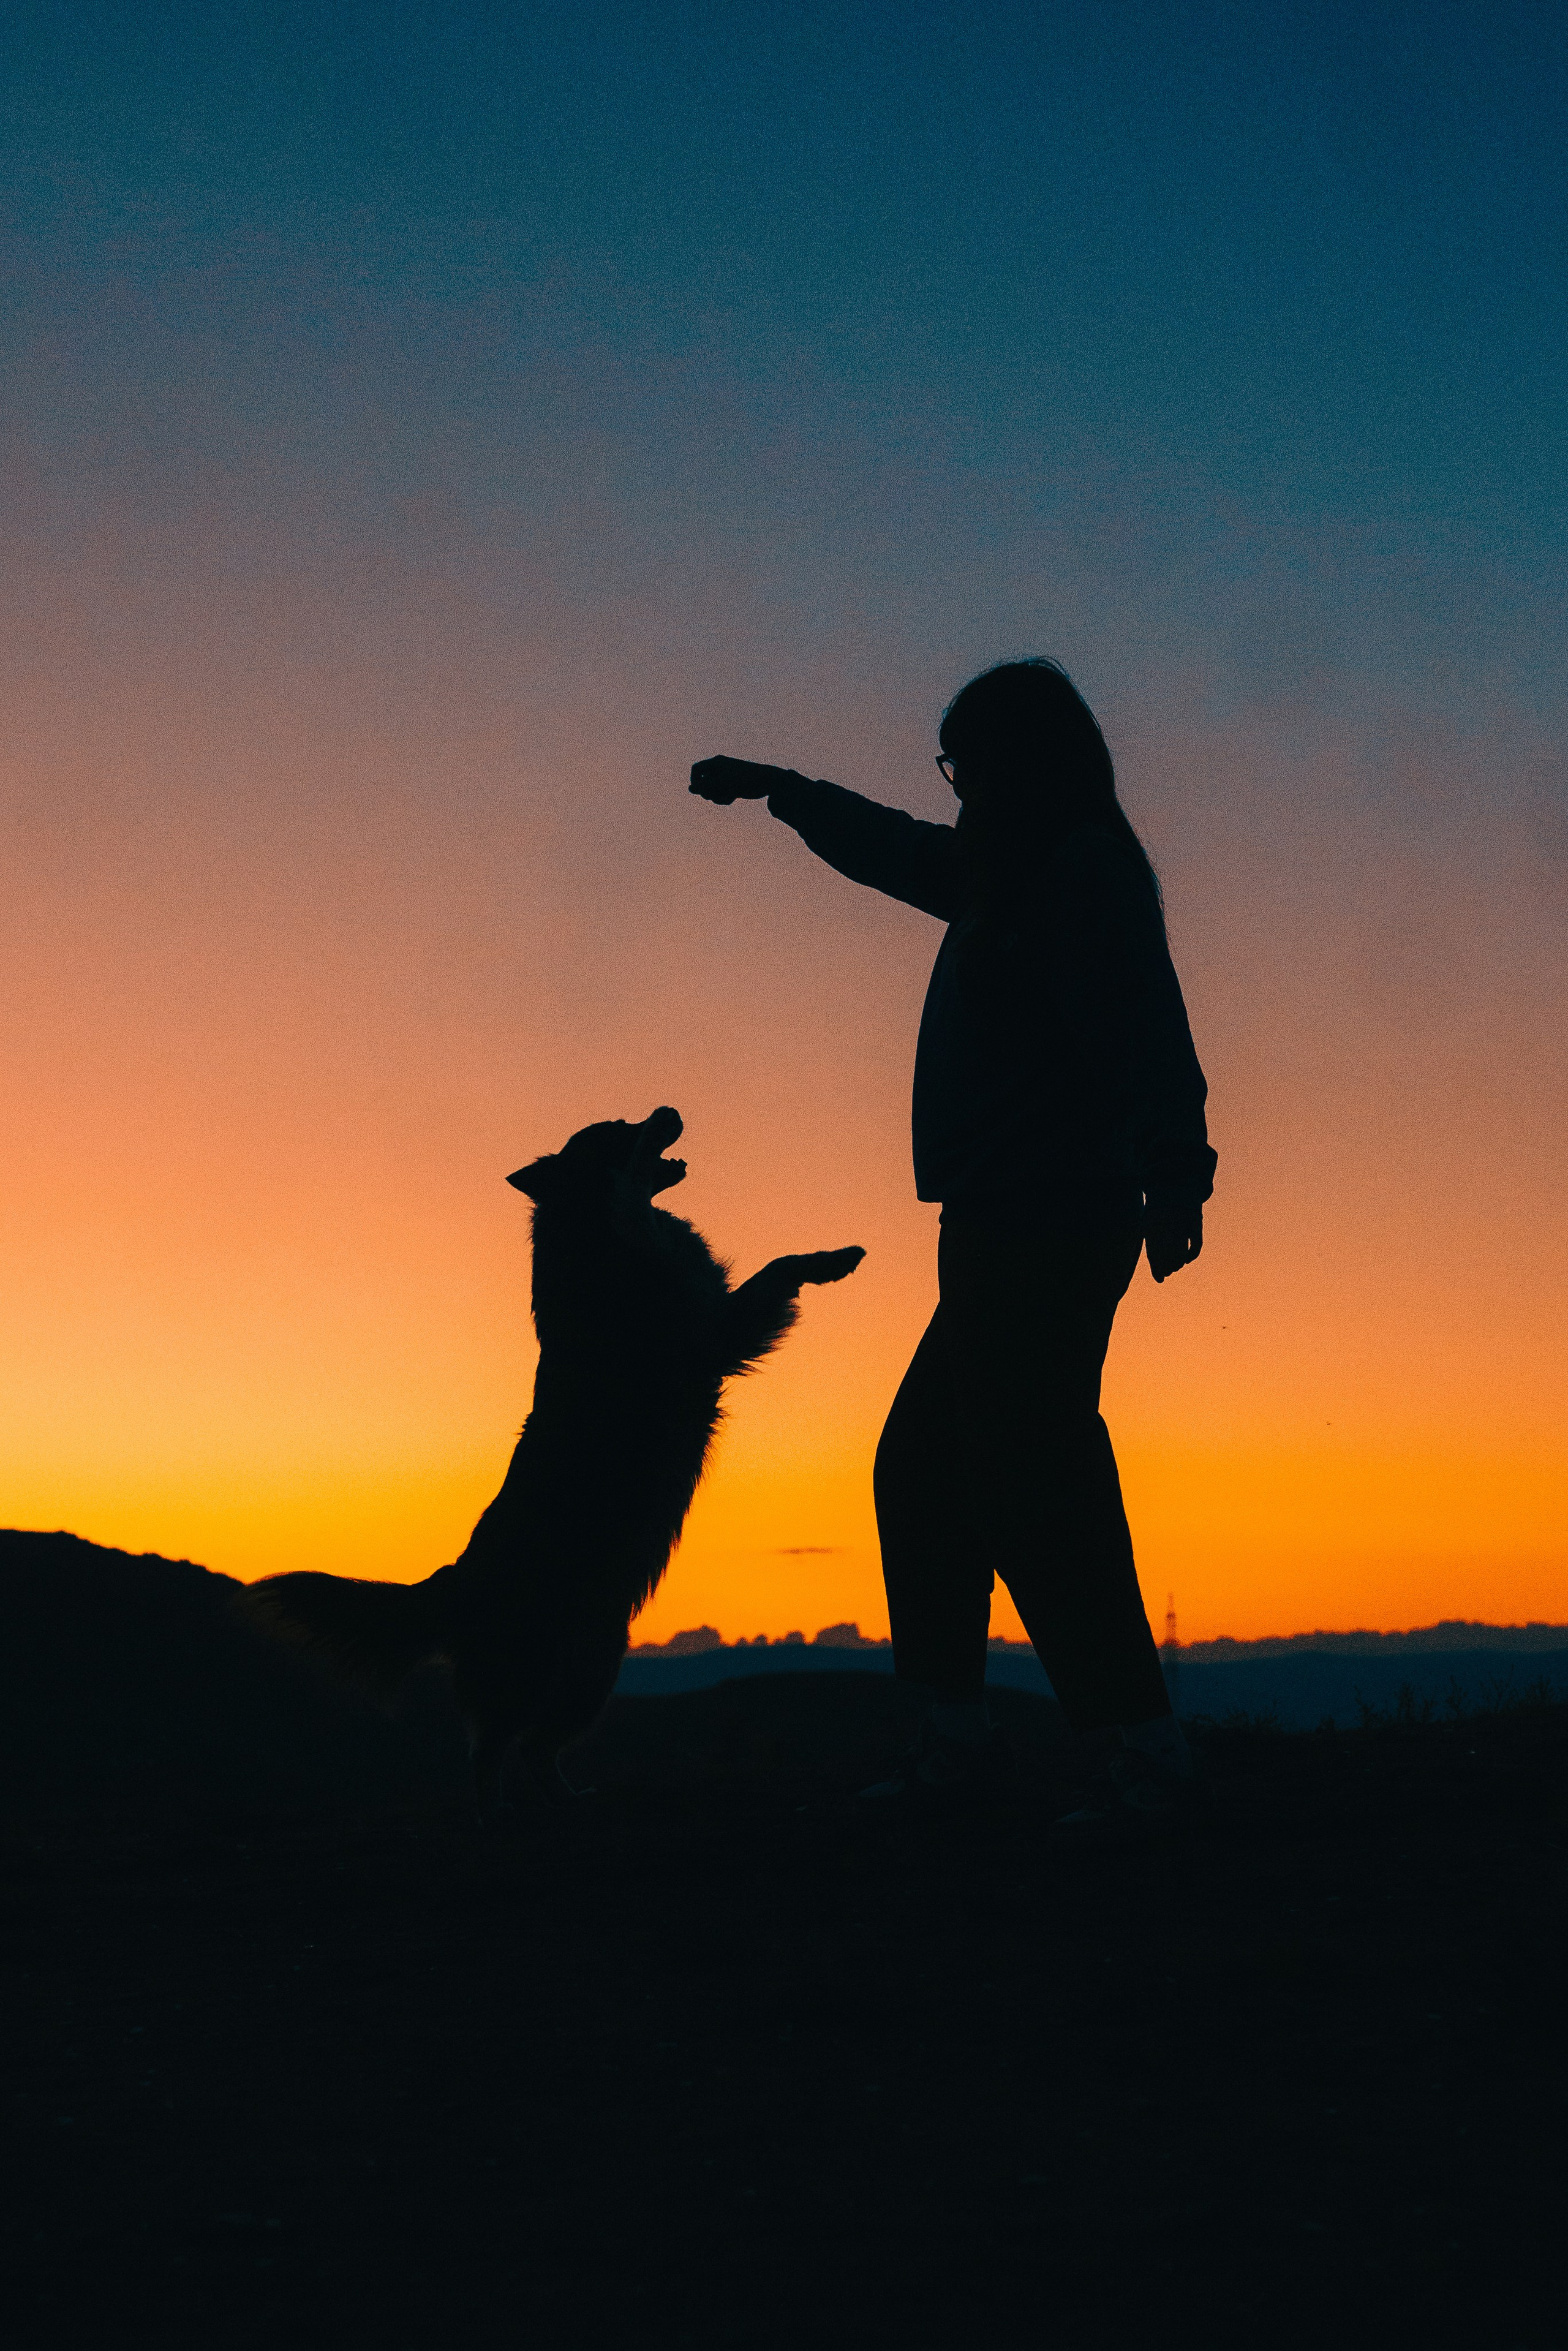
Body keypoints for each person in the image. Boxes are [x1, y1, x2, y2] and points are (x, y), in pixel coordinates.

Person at [689, 659, 1215, 1830]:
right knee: (934, 1471)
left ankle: (1142, 1750)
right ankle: (967, 1740)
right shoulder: (1007, 874)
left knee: (1037, 1479)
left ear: (1024, 764)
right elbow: (896, 848)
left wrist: (1179, 1167)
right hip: (1000, 1219)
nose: (959, 787)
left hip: (1050, 1217)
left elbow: (1148, 1021)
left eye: (969, 765)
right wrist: (786, 791)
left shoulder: (1078, 873)